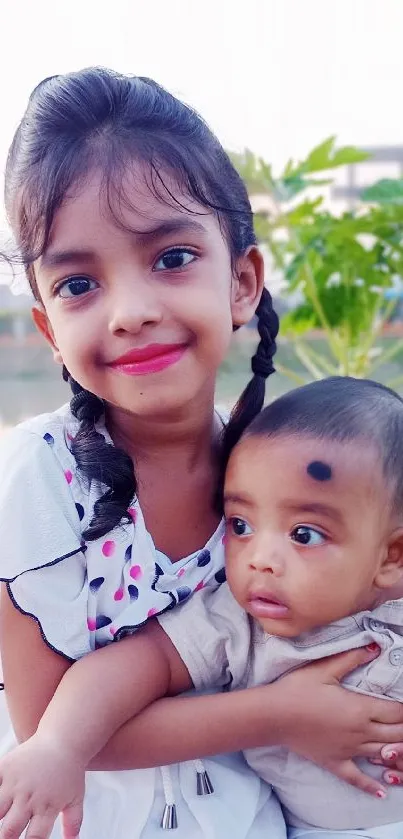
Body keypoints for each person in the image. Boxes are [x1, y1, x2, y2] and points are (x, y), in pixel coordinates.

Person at [0, 68, 402, 839]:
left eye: (172, 258)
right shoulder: (41, 476)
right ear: (49, 329)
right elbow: (54, 733)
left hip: (255, 816)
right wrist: (284, 714)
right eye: (80, 282)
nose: (132, 311)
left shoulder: (265, 467)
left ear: (242, 282)